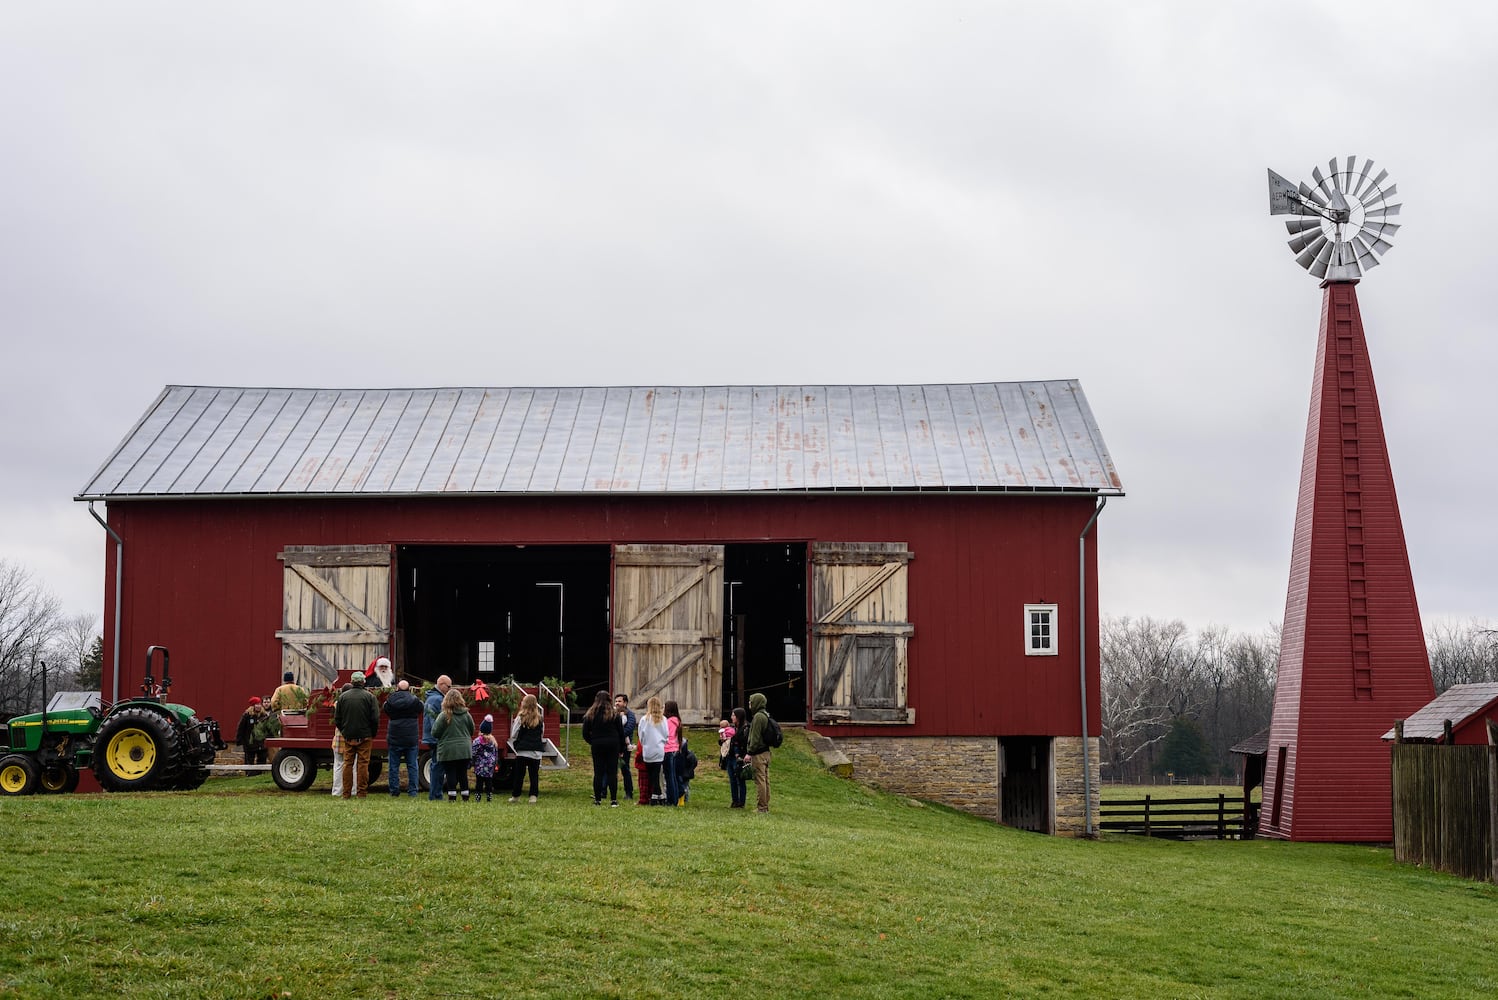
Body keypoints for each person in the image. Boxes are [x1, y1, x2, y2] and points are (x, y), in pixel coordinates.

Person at [333, 672, 381, 799]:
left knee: (347, 764)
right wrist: (372, 733)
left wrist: (344, 731)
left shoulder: (342, 698)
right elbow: (375, 718)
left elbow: (337, 719)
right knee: (363, 764)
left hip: (348, 736)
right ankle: (361, 793)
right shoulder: (370, 697)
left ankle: (346, 793)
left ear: (352, 681)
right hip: (365, 736)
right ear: (363, 682)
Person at [582, 690, 626, 807]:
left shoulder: (590, 714)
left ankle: (597, 799)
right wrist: (622, 748)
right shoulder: (614, 714)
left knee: (598, 772)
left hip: (597, 743)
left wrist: (592, 741)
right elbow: (621, 732)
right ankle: (614, 800)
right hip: (613, 743)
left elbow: (585, 732)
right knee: (612, 772)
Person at [382, 679, 424, 798]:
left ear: (397, 688)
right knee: (412, 765)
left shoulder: (390, 701)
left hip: (394, 735)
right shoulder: (415, 701)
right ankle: (413, 791)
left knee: (393, 766)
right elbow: (421, 708)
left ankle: (394, 791)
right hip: (411, 737)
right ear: (409, 689)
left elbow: (386, 709)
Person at [431, 687, 474, 802]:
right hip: (464, 749)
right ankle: (465, 796)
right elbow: (472, 730)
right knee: (462, 773)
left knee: (451, 773)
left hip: (448, 750)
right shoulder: (466, 714)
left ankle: (452, 796)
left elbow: (435, 732)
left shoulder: (444, 715)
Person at [507, 693, 544, 803]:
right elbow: (542, 734)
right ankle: (533, 796)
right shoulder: (540, 718)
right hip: (536, 751)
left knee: (519, 775)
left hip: (523, 750)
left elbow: (514, 733)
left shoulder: (520, 717)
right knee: (534, 775)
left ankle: (516, 796)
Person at [423, 675, 452, 801]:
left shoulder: (433, 698)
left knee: (437, 766)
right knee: (438, 767)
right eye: (449, 686)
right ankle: (435, 795)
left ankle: (436, 794)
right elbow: (434, 721)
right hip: (436, 738)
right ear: (441, 684)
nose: (450, 689)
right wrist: (441, 736)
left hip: (433, 737)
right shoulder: (436, 699)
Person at [636, 696, 669, 805]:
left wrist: (645, 744)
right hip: (659, 749)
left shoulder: (644, 719)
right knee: (656, 773)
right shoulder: (663, 719)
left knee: (651, 775)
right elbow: (666, 734)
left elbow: (641, 735)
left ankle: (655, 795)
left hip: (648, 750)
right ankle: (658, 795)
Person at [746, 691, 773, 813]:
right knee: (766, 780)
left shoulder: (758, 717)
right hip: (766, 753)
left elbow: (755, 738)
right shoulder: (766, 715)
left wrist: (750, 752)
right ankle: (765, 805)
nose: (749, 704)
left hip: (759, 754)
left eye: (751, 702)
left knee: (760, 780)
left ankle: (761, 807)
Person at [235, 697, 269, 770]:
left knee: (262, 759)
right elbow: (241, 728)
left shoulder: (264, 715)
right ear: (252, 706)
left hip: (261, 743)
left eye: (259, 704)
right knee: (249, 761)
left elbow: (268, 729)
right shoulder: (247, 716)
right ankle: (249, 775)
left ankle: (259, 775)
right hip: (250, 743)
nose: (259, 706)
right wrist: (239, 740)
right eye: (256, 704)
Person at [471, 714, 499, 802]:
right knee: (489, 782)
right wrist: (495, 764)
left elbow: (473, 753)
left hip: (479, 766)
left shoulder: (477, 741)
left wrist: (472, 762)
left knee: (479, 782)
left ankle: (478, 797)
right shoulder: (493, 741)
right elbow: (495, 754)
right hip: (490, 766)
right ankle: (489, 797)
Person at [615, 693, 637, 801]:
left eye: (619, 701)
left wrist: (616, 735)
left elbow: (629, 729)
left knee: (625, 769)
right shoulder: (612, 714)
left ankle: (629, 792)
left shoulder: (630, 715)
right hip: (612, 746)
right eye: (616, 701)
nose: (617, 703)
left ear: (625, 703)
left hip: (624, 747)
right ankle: (603, 792)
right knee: (608, 769)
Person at [726, 707, 749, 809]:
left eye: (734, 715)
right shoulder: (731, 729)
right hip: (730, 756)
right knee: (732, 780)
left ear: (739, 717)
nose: (732, 717)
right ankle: (734, 800)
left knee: (740, 779)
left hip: (739, 757)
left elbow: (746, 743)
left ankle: (741, 802)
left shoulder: (745, 728)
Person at [662, 699, 683, 807]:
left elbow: (668, 736)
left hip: (668, 749)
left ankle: (672, 799)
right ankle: (674, 798)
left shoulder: (669, 721)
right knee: (672, 776)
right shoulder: (677, 720)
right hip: (674, 749)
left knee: (669, 776)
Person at [633, 739, 650, 806]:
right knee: (650, 783)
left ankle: (643, 800)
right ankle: (650, 798)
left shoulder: (642, 738)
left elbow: (639, 752)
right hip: (652, 761)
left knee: (643, 784)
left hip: (643, 764)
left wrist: (637, 760)